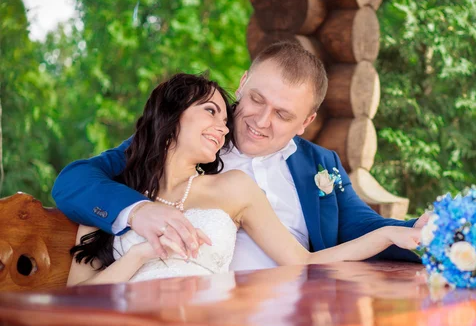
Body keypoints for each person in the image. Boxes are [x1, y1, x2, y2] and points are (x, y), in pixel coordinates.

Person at [52, 42, 429, 272]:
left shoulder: (321, 165)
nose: (260, 122)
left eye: (282, 115)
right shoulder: (190, 137)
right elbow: (74, 181)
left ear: (306, 122)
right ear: (243, 81)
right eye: (256, 100)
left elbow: (364, 229)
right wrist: (137, 211)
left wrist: (428, 231)